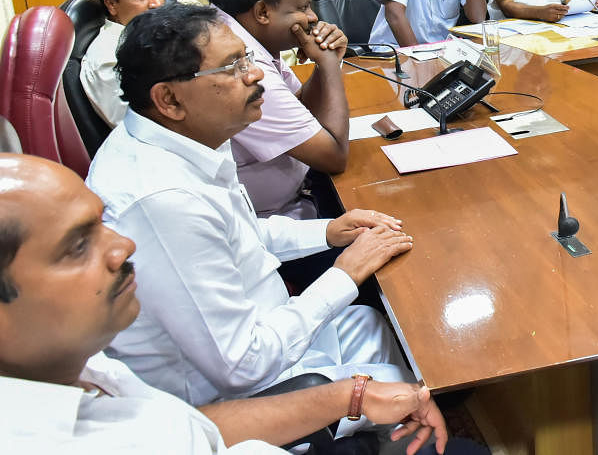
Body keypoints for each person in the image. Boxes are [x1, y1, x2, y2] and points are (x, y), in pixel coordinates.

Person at [87, 5, 418, 428]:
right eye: (232, 67)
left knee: (371, 324)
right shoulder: (161, 200)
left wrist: (329, 232)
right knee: (407, 392)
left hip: (269, 326)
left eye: (248, 59)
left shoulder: (189, 133)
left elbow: (239, 232)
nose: (256, 74)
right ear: (168, 99)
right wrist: (344, 274)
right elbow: (243, 366)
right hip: (236, 399)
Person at [0, 153, 450, 454]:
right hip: (246, 374)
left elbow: (195, 425)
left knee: (371, 327)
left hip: (244, 381)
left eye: (101, 223)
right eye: (77, 246)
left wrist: (351, 394)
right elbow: (239, 371)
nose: (123, 245)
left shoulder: (81, 368)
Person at [205, 0, 350, 220]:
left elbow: (301, 108)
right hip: (271, 224)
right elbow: (334, 157)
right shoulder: (242, 62)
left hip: (293, 200)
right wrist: (329, 64)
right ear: (262, 12)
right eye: (303, 7)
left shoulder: (240, 33)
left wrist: (322, 64)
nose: (313, 17)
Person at [81, 0, 165, 128]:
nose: (156, 4)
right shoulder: (107, 56)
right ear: (111, 4)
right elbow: (131, 125)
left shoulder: (155, 36)